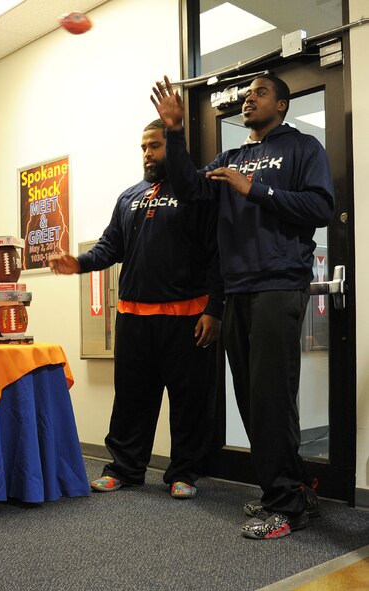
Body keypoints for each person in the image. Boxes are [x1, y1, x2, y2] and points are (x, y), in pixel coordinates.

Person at [151, 73, 334, 539]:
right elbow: (191, 189)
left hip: (278, 285)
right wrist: (174, 131)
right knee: (252, 399)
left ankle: (284, 506)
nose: (250, 100)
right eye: (247, 95)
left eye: (261, 93)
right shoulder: (231, 156)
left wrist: (255, 189)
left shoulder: (302, 148)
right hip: (237, 290)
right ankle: (291, 490)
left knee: (271, 397)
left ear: (283, 104)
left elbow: (319, 208)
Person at [49, 119, 223, 500]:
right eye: (144, 147)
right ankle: (125, 469)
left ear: (174, 147)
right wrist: (78, 262)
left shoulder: (197, 194)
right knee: (131, 399)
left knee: (188, 400)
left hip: (186, 318)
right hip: (134, 318)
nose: (148, 154)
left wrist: (215, 309)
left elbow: (216, 255)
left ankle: (184, 472)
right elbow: (110, 247)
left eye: (156, 146)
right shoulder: (129, 197)